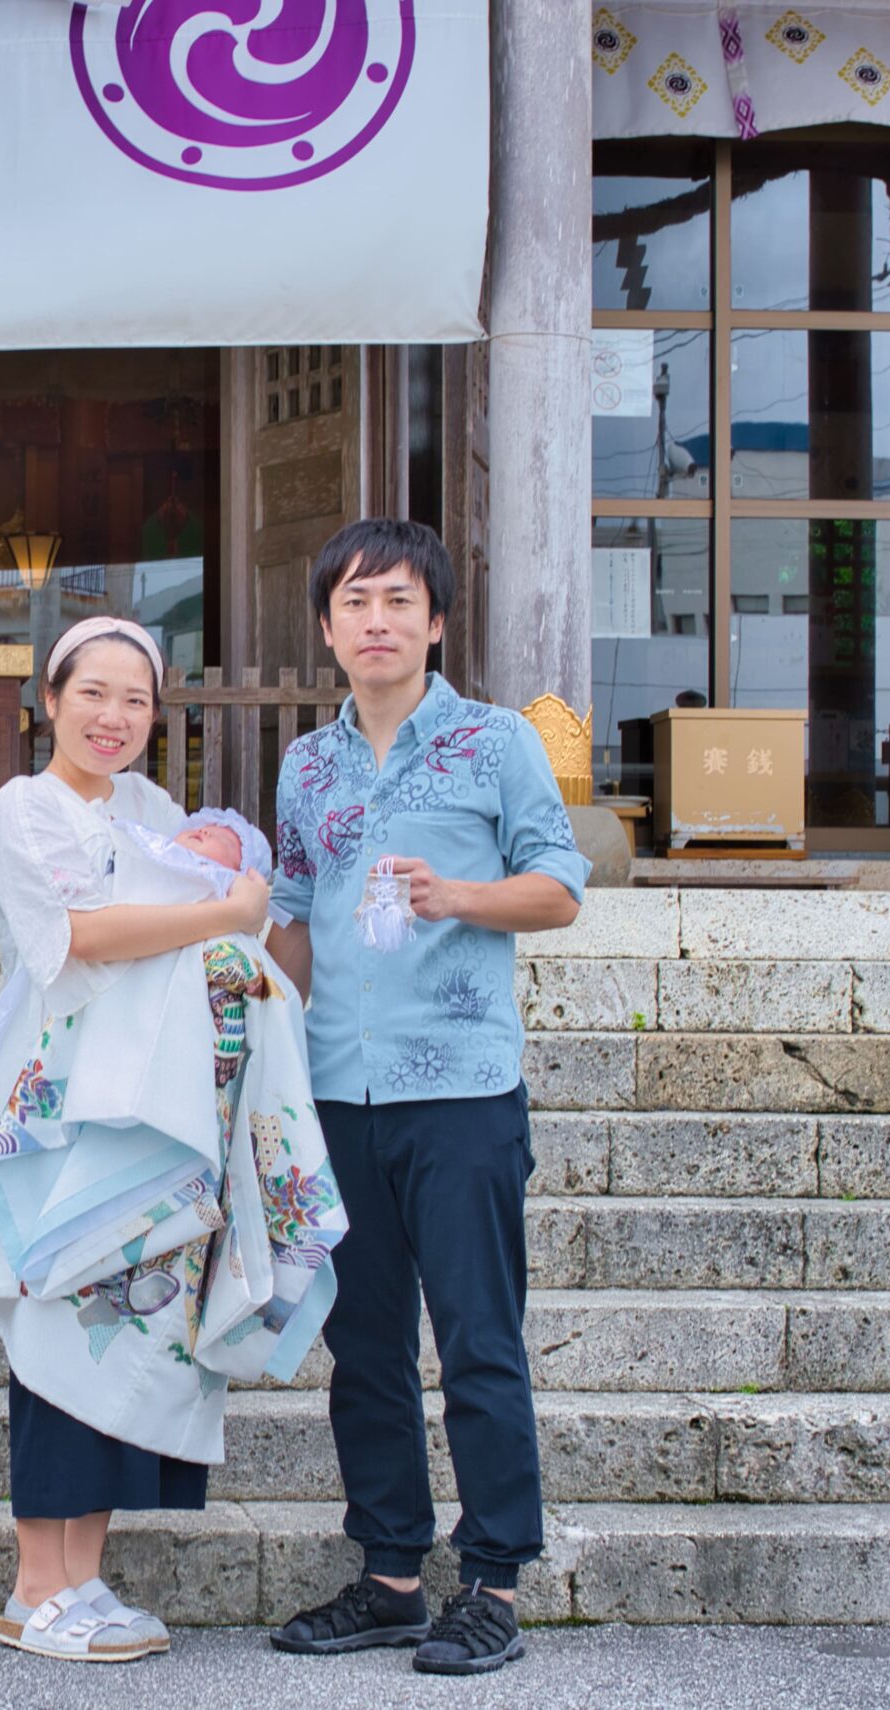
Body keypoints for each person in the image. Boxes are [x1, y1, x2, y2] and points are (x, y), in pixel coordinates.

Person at [0, 616, 342, 1664]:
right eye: (92, 694)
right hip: (61, 1098)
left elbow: (229, 911)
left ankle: (83, 1580)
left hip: (157, 1094)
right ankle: (32, 1588)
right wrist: (224, 912)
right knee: (59, 1317)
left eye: (135, 700)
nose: (114, 717)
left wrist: (238, 912)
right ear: (49, 701)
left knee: (128, 1324)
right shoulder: (24, 808)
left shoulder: (152, 811)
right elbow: (78, 938)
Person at [260, 518, 589, 1677]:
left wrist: (457, 895)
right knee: (363, 1347)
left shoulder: (496, 742)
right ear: (326, 627)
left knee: (477, 1342)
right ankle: (392, 1577)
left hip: (459, 1091)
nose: (376, 621)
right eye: (354, 602)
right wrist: (251, 1034)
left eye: (398, 600)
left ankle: (491, 1582)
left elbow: (558, 888)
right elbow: (292, 915)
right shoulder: (307, 764)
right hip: (337, 1095)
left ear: (436, 621)